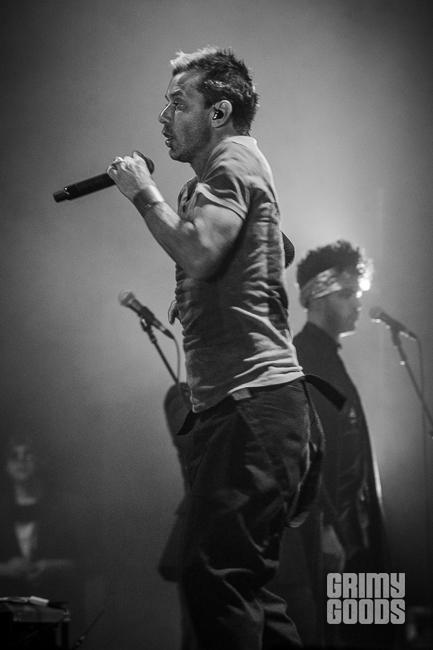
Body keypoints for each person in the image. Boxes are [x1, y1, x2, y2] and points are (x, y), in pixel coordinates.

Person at [107, 47, 315, 649]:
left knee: (215, 579)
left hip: (255, 404)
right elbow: (276, 246)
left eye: (179, 103)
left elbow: (200, 251)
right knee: (245, 589)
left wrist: (144, 193)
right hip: (250, 408)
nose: (164, 116)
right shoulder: (219, 177)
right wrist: (210, 291)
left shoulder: (234, 159)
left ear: (219, 112)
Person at [293, 240, 390, 648]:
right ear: (318, 295)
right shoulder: (305, 358)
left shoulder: (331, 358)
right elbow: (304, 450)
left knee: (370, 636)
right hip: (336, 534)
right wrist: (327, 525)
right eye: (348, 294)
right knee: (342, 639)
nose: (357, 304)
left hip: (357, 530)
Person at [0, 434, 82, 610]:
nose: (21, 461)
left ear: (39, 460)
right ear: (6, 465)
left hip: (52, 605)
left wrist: (51, 567)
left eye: (28, 454)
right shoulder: (2, 508)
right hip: (8, 606)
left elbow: (85, 561)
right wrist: (6, 568)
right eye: (14, 456)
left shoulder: (62, 506)